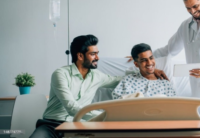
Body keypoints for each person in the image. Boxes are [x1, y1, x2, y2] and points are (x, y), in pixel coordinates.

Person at [30, 35, 168, 138]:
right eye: (93, 54)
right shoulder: (60, 74)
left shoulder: (97, 76)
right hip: (52, 125)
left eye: (97, 53)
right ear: (80, 56)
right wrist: (105, 115)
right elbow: (72, 108)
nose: (98, 58)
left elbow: (124, 80)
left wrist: (149, 69)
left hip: (79, 126)